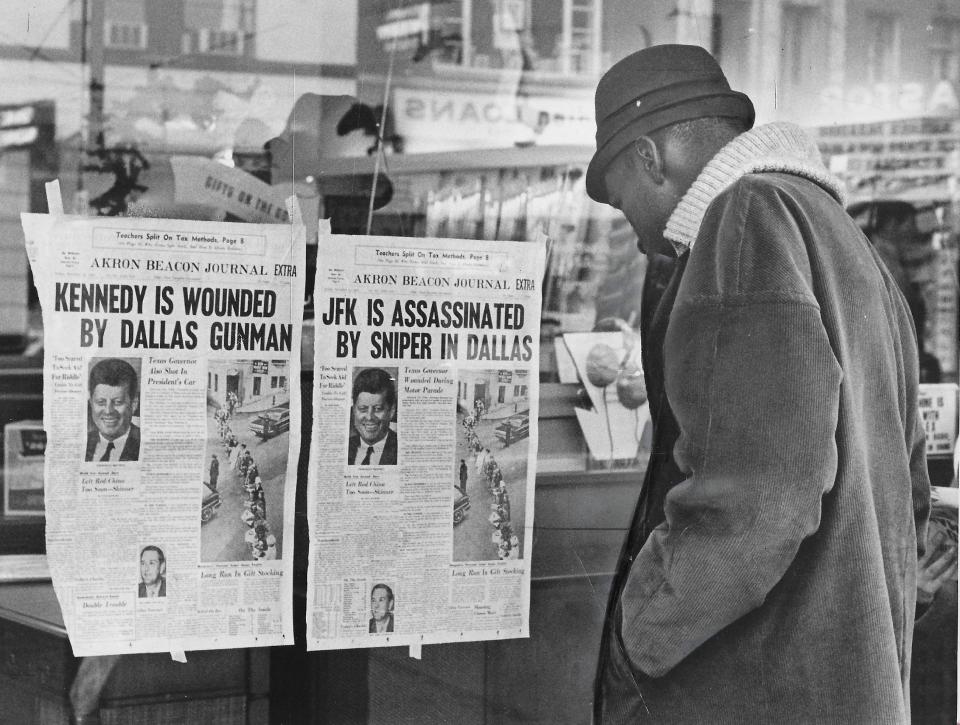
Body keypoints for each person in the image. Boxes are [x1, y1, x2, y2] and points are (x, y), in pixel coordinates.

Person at [586, 45, 931, 724]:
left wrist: (641, 630)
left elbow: (757, 497)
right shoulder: (843, 237)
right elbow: (908, 485)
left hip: (759, 687)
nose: (636, 238)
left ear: (651, 157)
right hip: (849, 684)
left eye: (626, 205)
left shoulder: (744, 221)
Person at [85, 358, 141, 462]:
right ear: (91, 403)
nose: (108, 411)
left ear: (134, 404)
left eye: (118, 402)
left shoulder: (144, 443)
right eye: (101, 402)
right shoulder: (83, 442)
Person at [347, 368, 398, 465]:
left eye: (378, 409)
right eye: (363, 409)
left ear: (391, 411)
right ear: (354, 410)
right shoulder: (345, 447)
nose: (369, 417)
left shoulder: (402, 448)